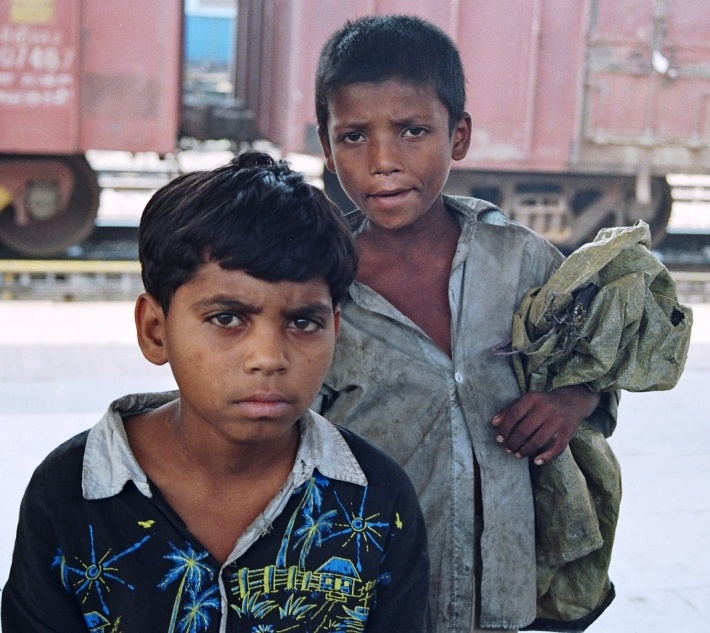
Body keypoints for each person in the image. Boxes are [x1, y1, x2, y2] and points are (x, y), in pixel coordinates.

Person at [1, 151, 430, 632]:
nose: (268, 357)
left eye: (303, 322)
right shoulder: (70, 494)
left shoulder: (377, 499)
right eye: (226, 318)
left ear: (335, 331)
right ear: (155, 331)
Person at [313, 15, 618, 633]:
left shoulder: (522, 260)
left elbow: (595, 366)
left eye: (412, 130)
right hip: (378, 597)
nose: (383, 161)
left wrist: (572, 399)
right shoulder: (317, 289)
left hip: (514, 594)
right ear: (325, 146)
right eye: (352, 137)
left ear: (458, 137)